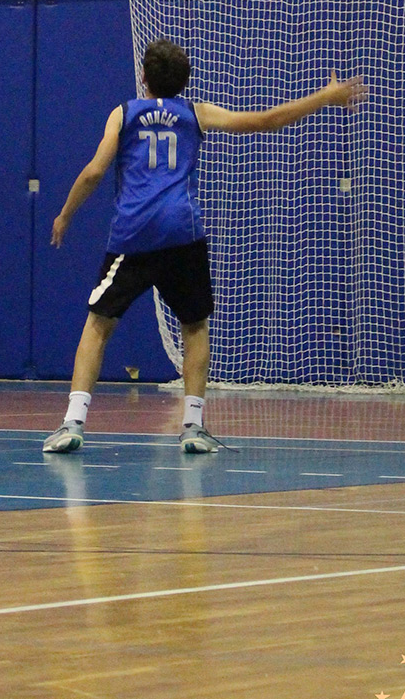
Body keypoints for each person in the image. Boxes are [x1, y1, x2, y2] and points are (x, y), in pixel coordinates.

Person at [43, 38, 366, 455]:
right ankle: (193, 427)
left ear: (143, 77)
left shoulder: (123, 114)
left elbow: (93, 172)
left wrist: (65, 214)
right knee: (194, 326)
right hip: (182, 233)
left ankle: (73, 422)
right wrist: (323, 97)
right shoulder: (196, 113)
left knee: (98, 324)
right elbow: (264, 121)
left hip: (133, 234)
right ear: (186, 81)